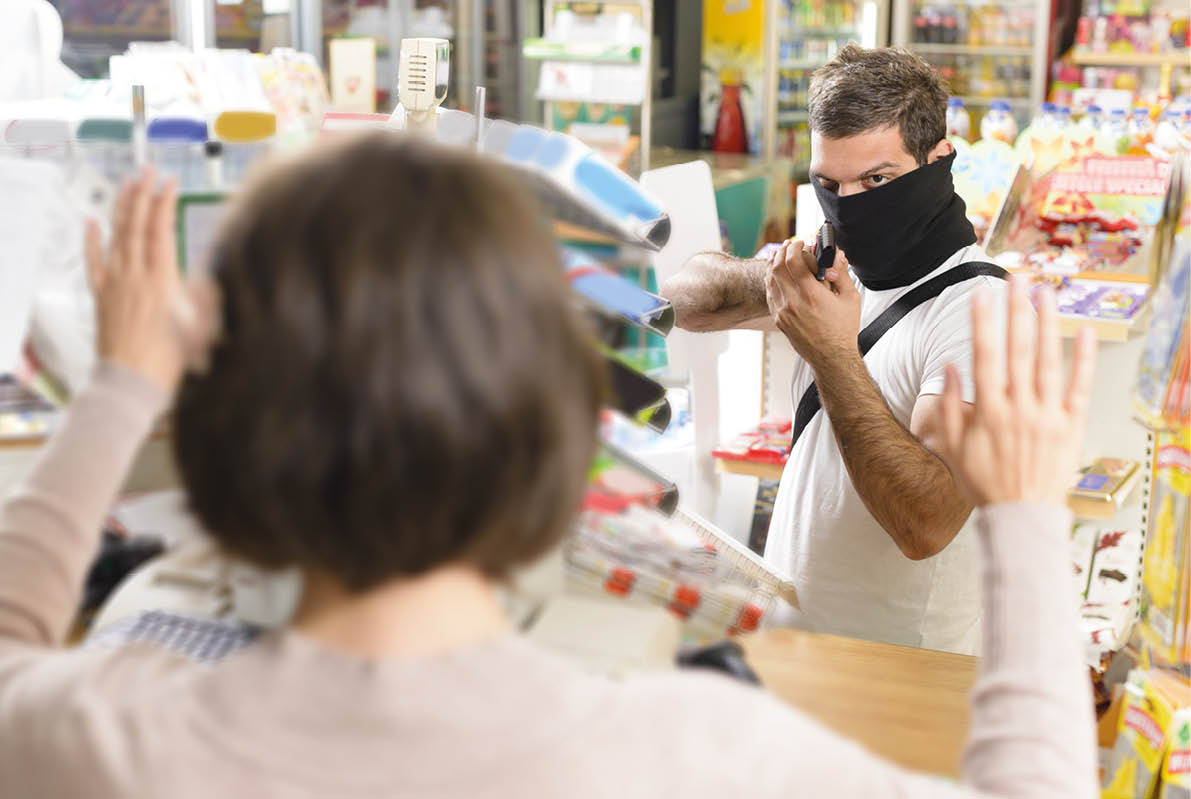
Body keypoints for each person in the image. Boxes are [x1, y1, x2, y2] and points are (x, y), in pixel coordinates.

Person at [0, 132, 1097, 797]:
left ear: (212, 447)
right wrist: (1026, 514)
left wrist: (121, 384)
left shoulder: (103, 736)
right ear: (559, 440)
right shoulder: (688, 755)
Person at [662, 45, 1010, 654]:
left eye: (878, 180)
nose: (851, 207)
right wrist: (770, 279)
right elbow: (680, 301)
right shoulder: (839, 265)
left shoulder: (982, 310)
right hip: (799, 655)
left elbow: (927, 522)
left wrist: (831, 352)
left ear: (939, 160)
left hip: (898, 683)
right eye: (830, 183)